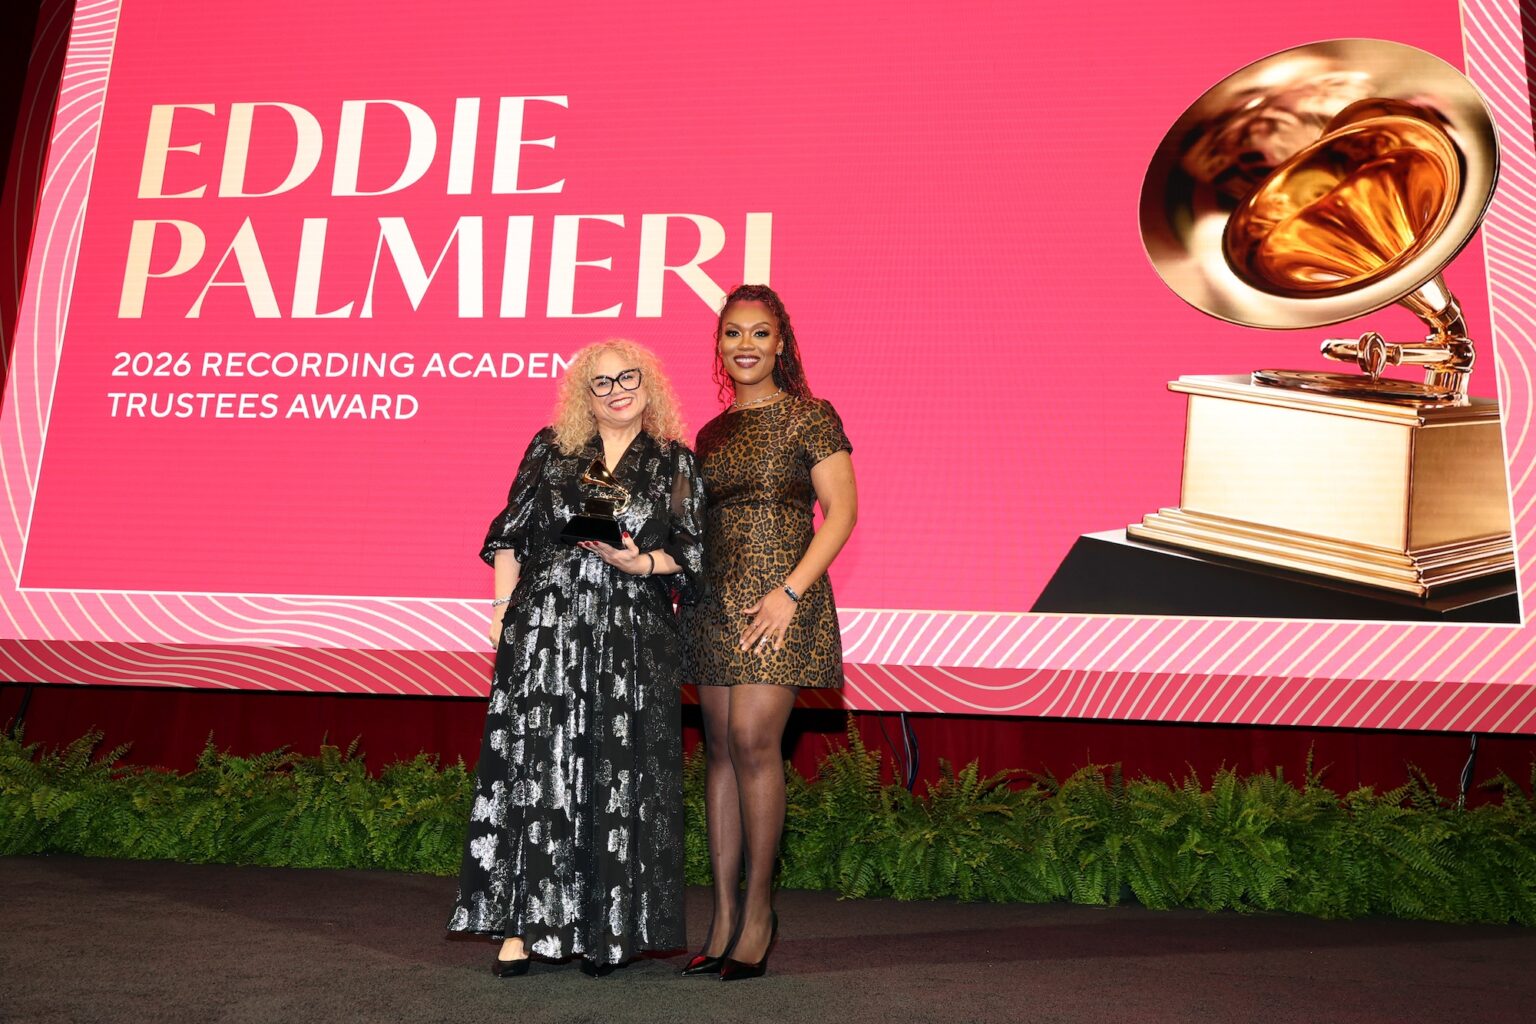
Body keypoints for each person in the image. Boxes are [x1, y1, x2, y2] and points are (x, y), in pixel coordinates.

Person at [447, 338, 706, 977]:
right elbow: (509, 534)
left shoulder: (675, 462)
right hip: (547, 629)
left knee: (614, 774)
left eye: (628, 377)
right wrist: (501, 609)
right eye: (601, 382)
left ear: (650, 384)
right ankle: (519, 926)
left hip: (631, 637)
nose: (617, 390)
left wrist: (640, 560)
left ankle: (604, 929)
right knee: (538, 768)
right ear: (583, 396)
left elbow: (692, 553)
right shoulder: (552, 448)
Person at [679, 284, 858, 981]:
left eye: (759, 333)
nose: (745, 345)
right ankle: (721, 917)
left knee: (755, 741)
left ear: (781, 344)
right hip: (712, 604)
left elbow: (840, 514)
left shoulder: (812, 416)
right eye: (732, 334)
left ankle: (759, 913)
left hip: (781, 600)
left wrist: (789, 592)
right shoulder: (709, 434)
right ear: (720, 346)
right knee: (720, 749)